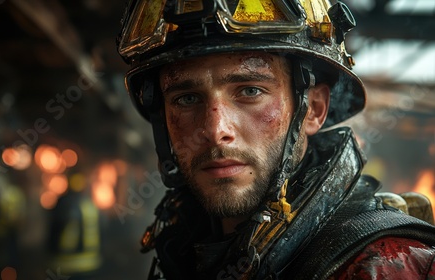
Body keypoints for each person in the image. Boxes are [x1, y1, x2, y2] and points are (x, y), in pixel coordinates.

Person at [116, 0, 435, 279]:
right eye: (186, 98)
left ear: (314, 110)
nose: (215, 130)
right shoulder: (182, 248)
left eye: (250, 91)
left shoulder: (386, 265)